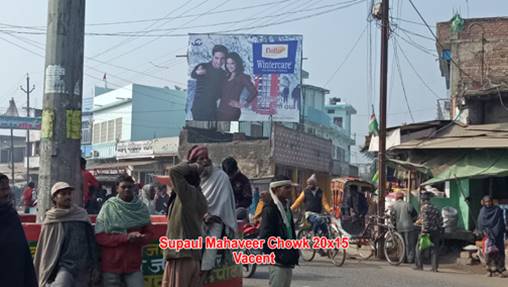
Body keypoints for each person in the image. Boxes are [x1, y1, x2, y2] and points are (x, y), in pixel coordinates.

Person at [34, 182, 98, 287]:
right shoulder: (51, 219)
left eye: (69, 193)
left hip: (83, 266)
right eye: (63, 194)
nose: (68, 196)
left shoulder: (81, 214)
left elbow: (91, 241)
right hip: (63, 266)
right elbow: (47, 250)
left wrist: (96, 267)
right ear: (54, 198)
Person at [95, 174, 153, 287]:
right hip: (111, 265)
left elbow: (150, 234)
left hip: (133, 265)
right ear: (117, 188)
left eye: (130, 187)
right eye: (123, 187)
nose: (127, 189)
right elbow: (100, 237)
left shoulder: (141, 208)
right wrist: (126, 237)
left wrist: (140, 238)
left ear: (134, 188)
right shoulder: (108, 207)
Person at [187, 145, 237, 273]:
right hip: (193, 222)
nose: (205, 161)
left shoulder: (221, 177)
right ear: (192, 163)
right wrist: (202, 215)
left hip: (215, 222)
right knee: (189, 262)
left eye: (206, 158)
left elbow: (225, 204)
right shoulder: (189, 179)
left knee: (207, 262)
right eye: (200, 159)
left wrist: (213, 215)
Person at [162, 161, 208, 287]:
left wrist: (192, 165)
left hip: (182, 255)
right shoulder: (198, 196)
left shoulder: (188, 194)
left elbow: (174, 171)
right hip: (191, 255)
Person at [259, 175, 299, 287]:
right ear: (276, 190)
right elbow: (265, 237)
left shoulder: (286, 208)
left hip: (287, 259)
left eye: (289, 187)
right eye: (286, 188)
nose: (289, 190)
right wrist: (277, 255)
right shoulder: (270, 209)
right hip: (278, 261)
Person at [0, 173, 37, 287]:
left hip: (14, 274)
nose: (6, 193)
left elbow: (23, 249)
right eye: (2, 189)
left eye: (7, 189)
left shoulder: (11, 214)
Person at [191, 45, 228, 121]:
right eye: (216, 58)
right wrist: (198, 72)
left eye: (222, 59)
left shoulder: (223, 74)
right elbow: (193, 74)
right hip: (199, 109)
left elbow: (222, 93)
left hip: (212, 109)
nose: (219, 62)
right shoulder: (203, 66)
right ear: (212, 56)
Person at [217, 52, 258, 121]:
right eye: (227, 63)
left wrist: (243, 103)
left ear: (237, 63)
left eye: (232, 63)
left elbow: (254, 92)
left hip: (231, 112)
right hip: (220, 111)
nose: (229, 66)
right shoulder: (226, 77)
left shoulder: (242, 77)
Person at [476, 195, 506, 277]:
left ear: (492, 201)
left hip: (497, 235)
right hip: (487, 235)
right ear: (483, 202)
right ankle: (490, 270)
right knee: (488, 252)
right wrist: (483, 232)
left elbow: (500, 222)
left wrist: (495, 232)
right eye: (486, 202)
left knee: (499, 252)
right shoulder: (482, 210)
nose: (488, 203)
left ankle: (501, 271)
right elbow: (480, 222)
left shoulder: (497, 210)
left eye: (489, 201)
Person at [415, 192, 443, 272]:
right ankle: (434, 268)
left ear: (423, 200)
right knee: (434, 249)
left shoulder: (423, 208)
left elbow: (423, 220)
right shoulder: (435, 208)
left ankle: (419, 266)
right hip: (435, 231)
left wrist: (422, 228)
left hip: (426, 231)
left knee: (419, 248)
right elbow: (440, 220)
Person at [389, 192, 418, 264]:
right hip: (409, 227)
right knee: (410, 244)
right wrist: (412, 221)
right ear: (402, 198)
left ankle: (402, 259)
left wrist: (394, 225)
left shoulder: (393, 206)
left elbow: (392, 218)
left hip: (399, 227)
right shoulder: (408, 204)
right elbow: (415, 215)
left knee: (401, 244)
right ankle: (410, 259)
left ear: (396, 198)